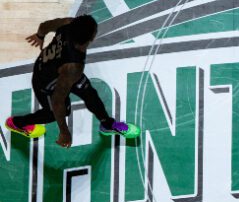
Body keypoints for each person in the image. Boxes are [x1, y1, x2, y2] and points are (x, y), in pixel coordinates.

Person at [5, 14, 139, 148]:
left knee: (90, 94)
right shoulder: (74, 66)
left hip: (55, 67)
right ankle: (17, 123)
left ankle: (107, 125)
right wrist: (64, 132)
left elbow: (44, 26)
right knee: (55, 112)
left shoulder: (68, 22)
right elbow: (58, 101)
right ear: (92, 38)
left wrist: (40, 36)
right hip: (46, 82)